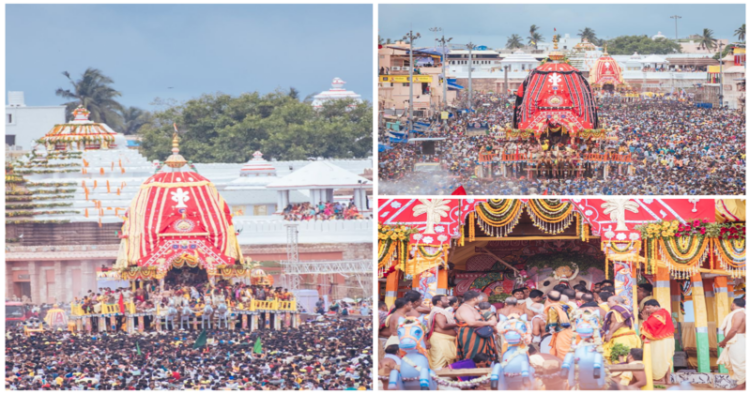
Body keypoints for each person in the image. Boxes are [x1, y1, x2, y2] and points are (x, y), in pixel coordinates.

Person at [455, 291, 497, 362]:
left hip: (479, 335)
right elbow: (471, 323)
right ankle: (471, 372)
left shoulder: (474, 308)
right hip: (471, 334)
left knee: (482, 357)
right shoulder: (464, 308)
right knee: (472, 356)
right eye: (479, 297)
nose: (480, 299)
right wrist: (488, 323)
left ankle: (482, 372)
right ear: (474, 299)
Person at [640, 299, 675, 385]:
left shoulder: (658, 314)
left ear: (656, 306)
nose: (647, 310)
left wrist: (645, 320)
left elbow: (651, 326)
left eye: (648, 308)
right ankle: (666, 380)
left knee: (661, 359)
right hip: (664, 340)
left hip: (661, 341)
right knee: (665, 359)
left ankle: (664, 379)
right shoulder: (662, 312)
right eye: (646, 308)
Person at [602, 295, 641, 363]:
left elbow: (619, 321)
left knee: (621, 360)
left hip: (622, 338)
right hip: (627, 336)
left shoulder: (617, 309)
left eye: (609, 302)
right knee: (629, 359)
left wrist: (610, 332)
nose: (607, 303)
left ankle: (624, 373)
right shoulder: (626, 309)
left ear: (616, 301)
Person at [718, 298, 746, 390]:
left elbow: (734, 330)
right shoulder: (742, 313)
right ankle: (743, 385)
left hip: (737, 340)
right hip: (737, 340)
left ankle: (741, 385)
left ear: (733, 304)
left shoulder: (739, 314)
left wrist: (724, 341)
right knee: (738, 362)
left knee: (739, 363)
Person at [427, 295, 457, 370]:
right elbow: (442, 326)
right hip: (439, 340)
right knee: (439, 363)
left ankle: (445, 380)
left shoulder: (440, 311)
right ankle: (437, 380)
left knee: (445, 362)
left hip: (443, 340)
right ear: (439, 302)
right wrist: (458, 324)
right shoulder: (439, 312)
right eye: (446, 299)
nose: (448, 301)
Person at [545, 290, 573, 358]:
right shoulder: (566, 306)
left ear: (548, 299)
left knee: (562, 351)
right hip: (570, 330)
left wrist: (551, 329)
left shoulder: (552, 308)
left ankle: (565, 366)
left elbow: (553, 324)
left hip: (561, 332)